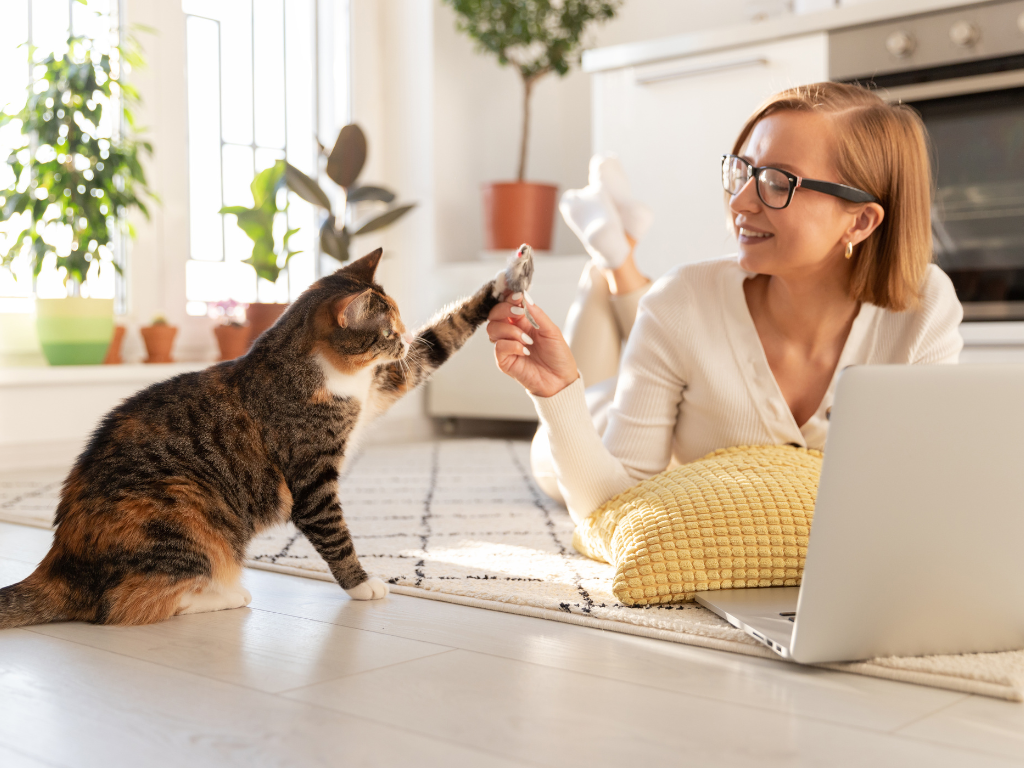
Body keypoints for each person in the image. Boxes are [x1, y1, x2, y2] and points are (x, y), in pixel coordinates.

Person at [485, 81, 964, 524]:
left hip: (671, 352)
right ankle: (608, 266)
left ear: (859, 222)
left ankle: (615, 256)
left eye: (778, 182)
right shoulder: (681, 298)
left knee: (664, 312)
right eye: (742, 172)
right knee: (553, 454)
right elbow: (613, 505)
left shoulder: (923, 308)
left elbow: (921, 495)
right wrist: (556, 392)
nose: (739, 203)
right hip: (604, 418)